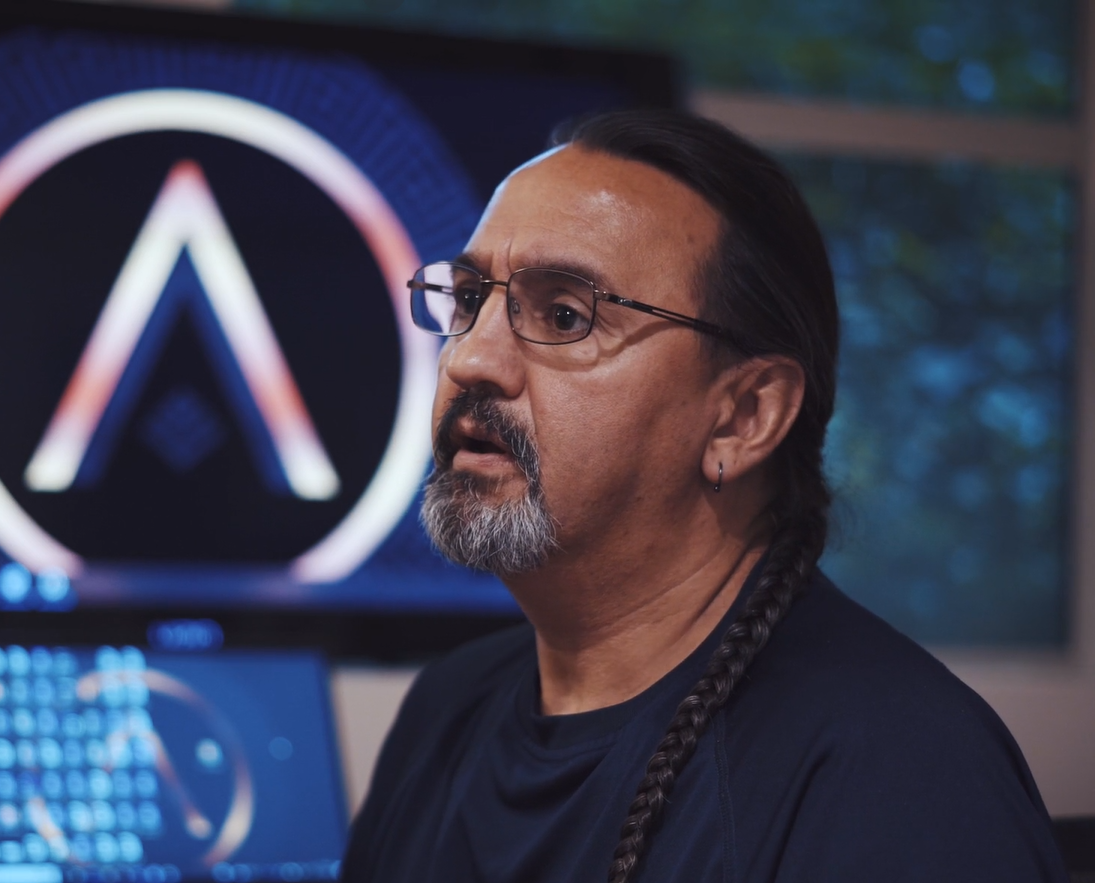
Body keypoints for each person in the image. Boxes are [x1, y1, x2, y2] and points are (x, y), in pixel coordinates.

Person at [340, 110, 1067, 883]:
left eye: (564, 314)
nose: (471, 359)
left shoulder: (899, 771)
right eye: (468, 300)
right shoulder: (447, 708)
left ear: (743, 417)